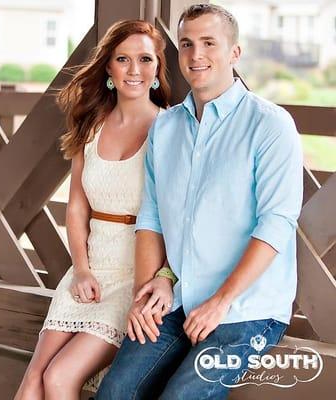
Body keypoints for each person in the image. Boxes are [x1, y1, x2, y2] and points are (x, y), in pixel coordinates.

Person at [96, 4, 303, 400]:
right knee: (115, 393)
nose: (196, 55)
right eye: (187, 44)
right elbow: (153, 215)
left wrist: (221, 301)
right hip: (178, 299)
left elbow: (276, 223)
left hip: (245, 311)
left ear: (234, 54)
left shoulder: (270, 125)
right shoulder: (167, 127)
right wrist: (150, 287)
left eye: (210, 43)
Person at [14, 20, 173, 399]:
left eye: (145, 59)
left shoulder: (169, 128)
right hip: (88, 271)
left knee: (59, 377)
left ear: (156, 71)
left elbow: (176, 215)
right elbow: (75, 208)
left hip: (135, 275)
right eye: (123, 59)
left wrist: (163, 276)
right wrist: (81, 271)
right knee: (35, 375)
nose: (134, 70)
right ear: (108, 68)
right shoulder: (92, 125)